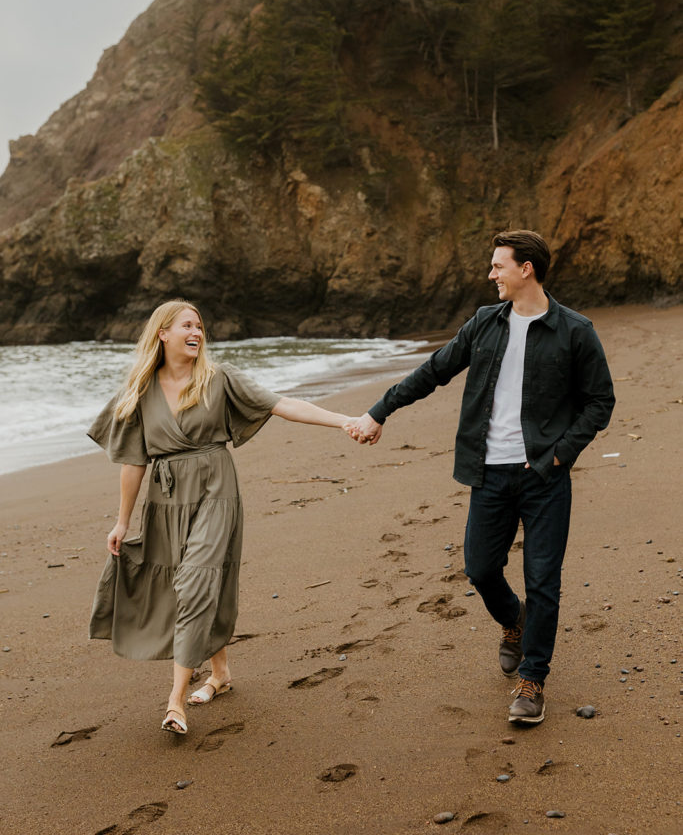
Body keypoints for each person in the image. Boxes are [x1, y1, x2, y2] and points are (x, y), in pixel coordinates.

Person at [349, 230, 615, 725]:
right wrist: (380, 411)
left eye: (498, 266)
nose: (491, 275)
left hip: (544, 476)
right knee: (480, 569)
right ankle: (514, 623)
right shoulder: (484, 323)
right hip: (488, 473)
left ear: (526, 269)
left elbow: (601, 401)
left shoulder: (575, 330)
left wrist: (562, 454)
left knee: (544, 582)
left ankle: (532, 681)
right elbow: (433, 371)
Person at [88, 299, 358, 736]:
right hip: (166, 500)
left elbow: (281, 404)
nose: (196, 332)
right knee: (192, 583)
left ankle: (175, 700)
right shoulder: (140, 390)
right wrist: (122, 522)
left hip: (216, 492)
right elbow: (133, 463)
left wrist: (344, 420)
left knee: (196, 581)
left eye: (200, 326)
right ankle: (221, 674)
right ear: (163, 333)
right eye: (186, 325)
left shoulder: (218, 379)